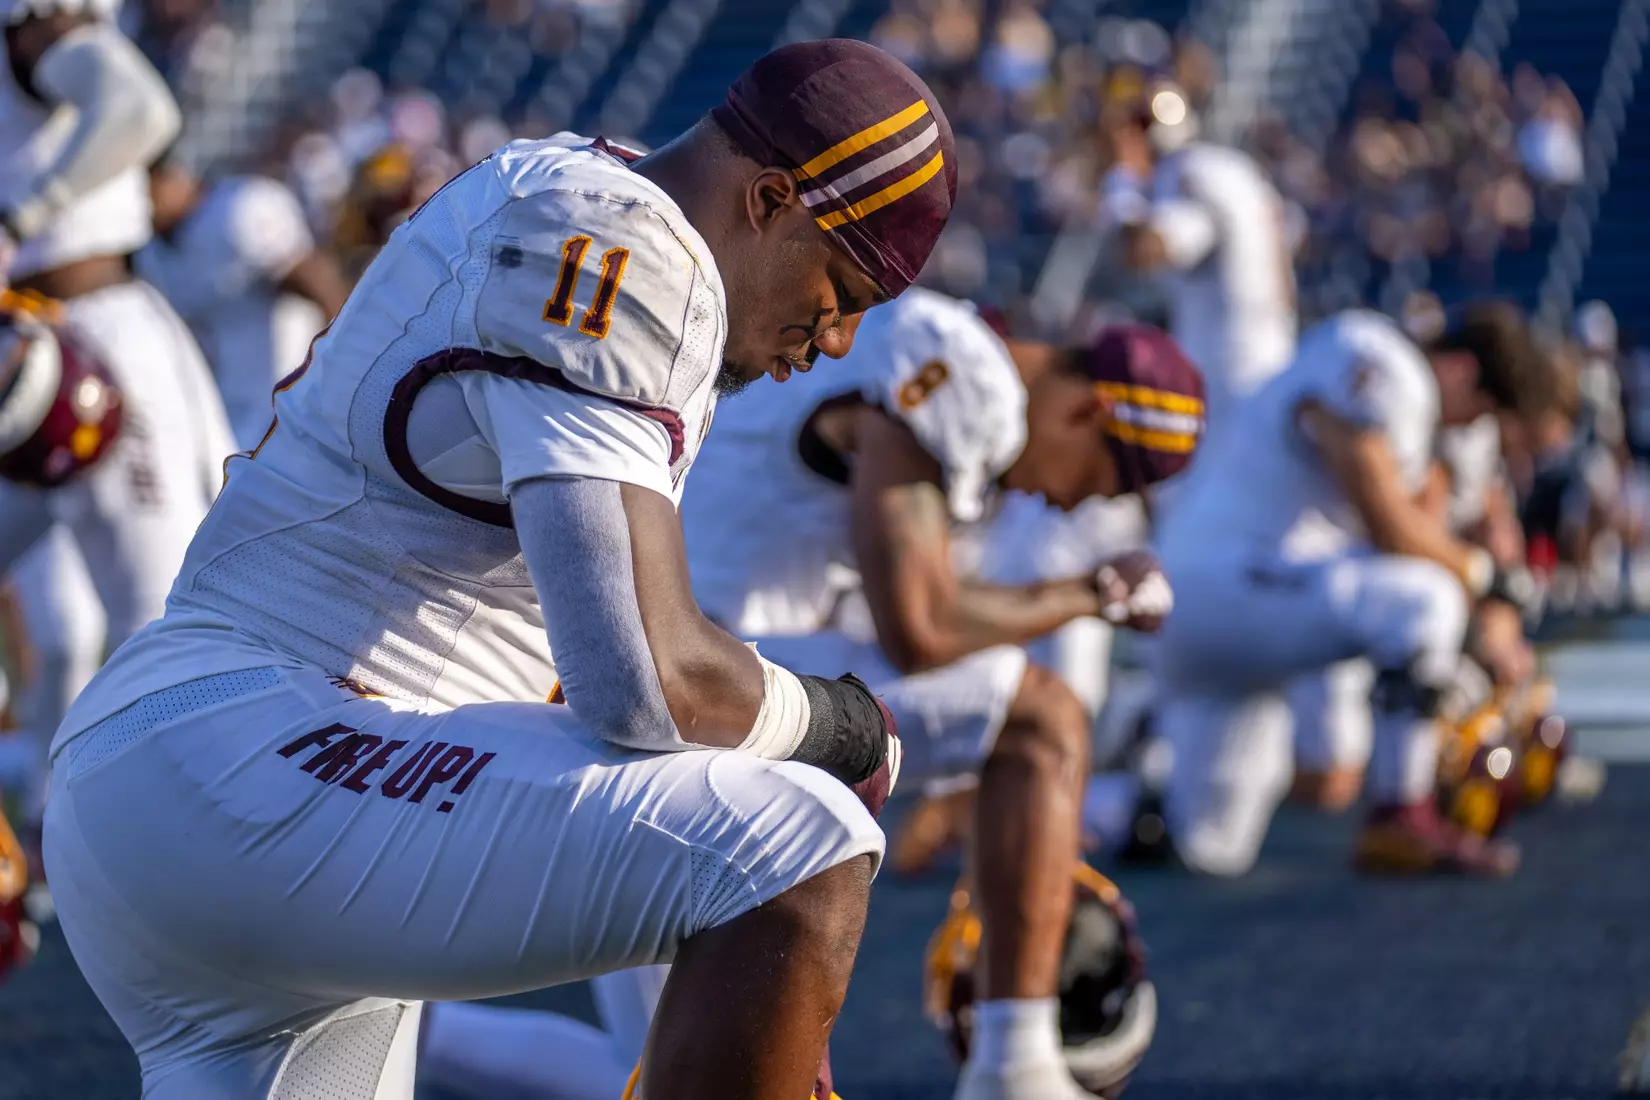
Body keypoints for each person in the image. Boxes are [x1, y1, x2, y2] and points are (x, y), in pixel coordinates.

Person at [44, 40, 955, 1100]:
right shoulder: (628, 245)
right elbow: (650, 680)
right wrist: (843, 726)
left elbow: (583, 667)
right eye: (843, 288)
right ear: (768, 200)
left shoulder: (569, 185)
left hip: (223, 767)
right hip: (256, 746)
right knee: (797, 845)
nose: (837, 339)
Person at [1093, 303, 1550, 878]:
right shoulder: (1383, 364)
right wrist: (1487, 577)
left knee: (1207, 842)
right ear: (1460, 369)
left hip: (1224, 601)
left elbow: (1408, 520)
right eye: (1477, 413)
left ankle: (1094, 793)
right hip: (1230, 583)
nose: (1466, 429)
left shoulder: (1393, 395)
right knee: (1424, 598)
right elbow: (1388, 523)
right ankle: (1402, 814)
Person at [0, 0, 233, 908]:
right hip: (29, 343)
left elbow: (137, 107)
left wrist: (19, 217)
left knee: (161, 619)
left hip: (95, 344)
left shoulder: (37, 26)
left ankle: (179, 874)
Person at [1100, 78, 1298, 441]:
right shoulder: (1236, 168)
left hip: (1223, 377)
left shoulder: (1185, 174)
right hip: (1272, 357)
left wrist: (1122, 179)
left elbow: (1145, 249)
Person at [139, 159, 349, 449]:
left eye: (144, 188)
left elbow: (317, 283)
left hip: (290, 410)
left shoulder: (241, 208)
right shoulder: (151, 252)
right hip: (227, 423)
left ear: (170, 175)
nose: (140, 203)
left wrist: (343, 377)